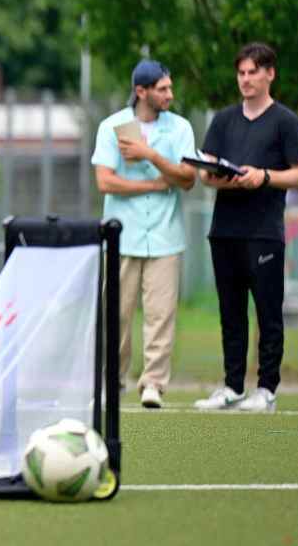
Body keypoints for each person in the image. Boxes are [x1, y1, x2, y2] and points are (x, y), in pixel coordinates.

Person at [194, 42, 298, 413]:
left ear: (269, 74)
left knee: (267, 312)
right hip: (224, 230)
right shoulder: (224, 120)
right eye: (241, 73)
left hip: (264, 232)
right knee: (230, 313)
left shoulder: (286, 121)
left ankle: (267, 390)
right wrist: (225, 179)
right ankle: (232, 386)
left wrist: (262, 177)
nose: (245, 79)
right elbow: (205, 172)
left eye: (252, 72)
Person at [91, 60, 197, 409]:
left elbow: (187, 178)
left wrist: (149, 154)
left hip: (166, 237)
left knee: (160, 315)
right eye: (163, 89)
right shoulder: (113, 127)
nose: (171, 94)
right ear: (141, 91)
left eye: (170, 87)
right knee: (116, 314)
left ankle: (153, 384)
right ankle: (113, 381)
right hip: (122, 237)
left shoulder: (180, 128)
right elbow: (105, 181)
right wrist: (153, 183)